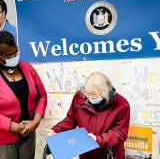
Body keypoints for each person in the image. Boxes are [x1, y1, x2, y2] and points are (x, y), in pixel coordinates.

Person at [49, 72, 130, 159]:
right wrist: (57, 130)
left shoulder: (121, 104)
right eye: (87, 93)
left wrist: (98, 140)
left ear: (106, 91)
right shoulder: (80, 97)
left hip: (109, 154)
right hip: (86, 154)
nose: (89, 98)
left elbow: (119, 133)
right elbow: (71, 119)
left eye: (93, 95)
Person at [0, 31, 47, 159]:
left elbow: (42, 95)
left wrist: (36, 121)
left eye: (16, 52)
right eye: (9, 55)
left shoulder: (27, 68)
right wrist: (13, 126)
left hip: (29, 133)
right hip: (3, 139)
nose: (14, 56)